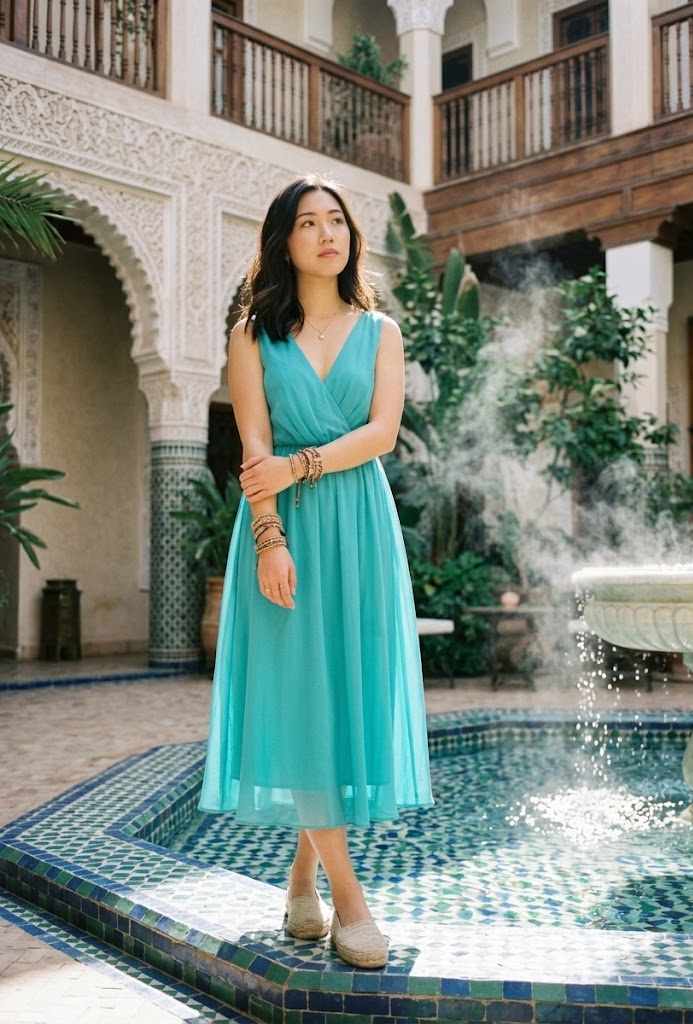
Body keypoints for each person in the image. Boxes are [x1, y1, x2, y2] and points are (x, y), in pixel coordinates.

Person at [198, 174, 433, 970]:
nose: (327, 233)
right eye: (308, 222)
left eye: (337, 220)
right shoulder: (251, 333)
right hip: (284, 529)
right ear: (284, 239)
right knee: (301, 695)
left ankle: (301, 876)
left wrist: (301, 468)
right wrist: (268, 537)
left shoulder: (382, 330)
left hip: (359, 527)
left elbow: (382, 434)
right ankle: (349, 900)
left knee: (336, 696)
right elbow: (251, 445)